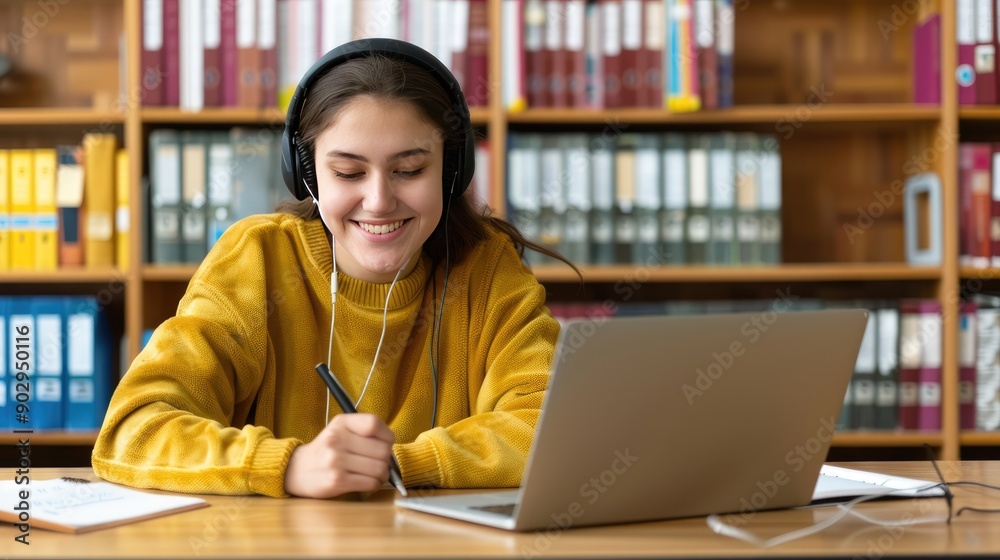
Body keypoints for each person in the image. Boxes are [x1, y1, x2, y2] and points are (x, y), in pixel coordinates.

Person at [93, 39, 577, 499]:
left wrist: (396, 465)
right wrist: (290, 466)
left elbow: (554, 425)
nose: (379, 201)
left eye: (409, 170)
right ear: (308, 174)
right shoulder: (258, 257)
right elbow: (134, 429)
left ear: (452, 171)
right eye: (348, 173)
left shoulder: (488, 268)